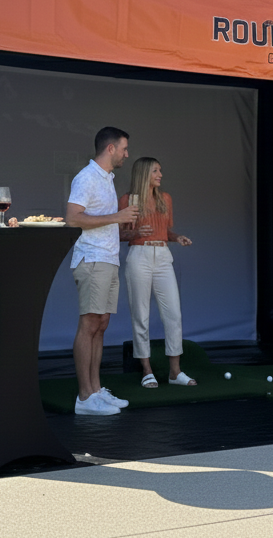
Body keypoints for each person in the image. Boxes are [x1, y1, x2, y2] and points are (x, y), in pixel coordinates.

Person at [65, 126, 139, 416]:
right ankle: (84, 397)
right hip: (92, 258)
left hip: (107, 258)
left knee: (101, 324)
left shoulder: (107, 178)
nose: (126, 154)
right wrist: (118, 216)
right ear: (110, 149)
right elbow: (73, 218)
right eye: (124, 148)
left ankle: (95, 390)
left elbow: (101, 221)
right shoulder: (87, 177)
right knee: (89, 324)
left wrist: (123, 227)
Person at [119, 157, 196, 389]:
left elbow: (164, 230)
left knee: (173, 313)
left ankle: (175, 372)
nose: (160, 174)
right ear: (144, 174)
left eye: (160, 170)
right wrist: (135, 233)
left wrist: (176, 237)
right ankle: (147, 370)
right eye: (155, 171)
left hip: (162, 256)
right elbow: (119, 234)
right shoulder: (128, 199)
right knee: (140, 314)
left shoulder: (165, 199)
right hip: (139, 256)